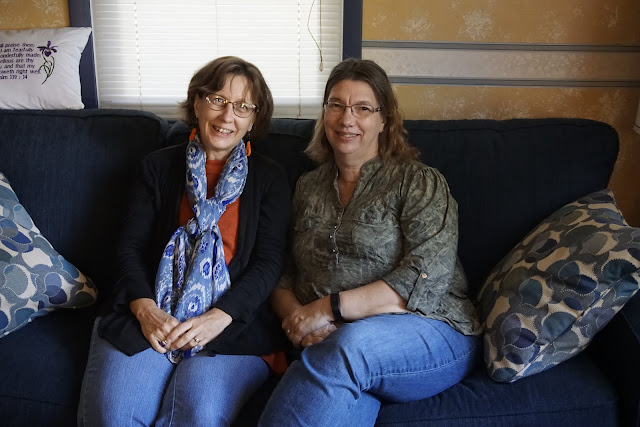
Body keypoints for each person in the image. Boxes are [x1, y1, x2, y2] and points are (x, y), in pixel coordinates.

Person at [258, 58, 483, 426]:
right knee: (337, 380)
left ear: (385, 120)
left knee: (348, 347)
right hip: (331, 342)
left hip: (431, 328)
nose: (347, 119)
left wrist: (326, 309)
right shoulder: (307, 188)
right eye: (336, 105)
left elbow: (424, 278)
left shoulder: (418, 182)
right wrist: (302, 324)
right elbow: (282, 274)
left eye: (363, 108)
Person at [77, 56, 290, 426]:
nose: (228, 116)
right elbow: (129, 248)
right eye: (217, 100)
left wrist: (218, 318)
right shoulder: (157, 168)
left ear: (254, 119)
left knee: (196, 415)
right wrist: (146, 311)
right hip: (151, 313)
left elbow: (268, 262)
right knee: (115, 416)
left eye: (242, 107)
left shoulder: (269, 179)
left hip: (231, 324)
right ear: (197, 103)